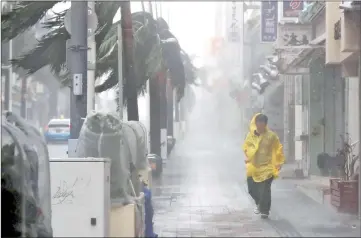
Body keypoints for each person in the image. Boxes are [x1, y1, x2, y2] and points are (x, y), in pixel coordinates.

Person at [243, 113, 285, 219]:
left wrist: (279, 162)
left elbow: (278, 149)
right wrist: (249, 153)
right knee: (251, 188)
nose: (260, 126)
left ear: (265, 124)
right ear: (255, 123)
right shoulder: (251, 135)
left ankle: (265, 211)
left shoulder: (271, 136)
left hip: (267, 167)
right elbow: (246, 146)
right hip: (253, 167)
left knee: (265, 189)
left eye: (262, 123)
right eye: (258, 123)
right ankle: (259, 203)